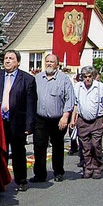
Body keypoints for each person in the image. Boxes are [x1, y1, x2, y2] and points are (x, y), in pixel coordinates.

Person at [0, 50, 37, 191]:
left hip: (17, 122)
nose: (7, 61)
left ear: (18, 62)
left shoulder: (28, 79)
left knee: (18, 152)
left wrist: (29, 125)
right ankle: (0, 181)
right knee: (0, 152)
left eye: (11, 58)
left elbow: (31, 105)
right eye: (5, 58)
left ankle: (21, 180)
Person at [31, 54, 74, 183]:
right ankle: (39, 174)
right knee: (39, 146)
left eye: (52, 62)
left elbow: (70, 99)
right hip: (40, 119)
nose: (49, 64)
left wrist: (65, 116)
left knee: (58, 146)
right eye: (47, 61)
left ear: (57, 64)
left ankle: (58, 172)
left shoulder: (64, 79)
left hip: (58, 118)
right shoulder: (38, 78)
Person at [70, 66, 103, 179]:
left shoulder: (101, 87)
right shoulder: (77, 87)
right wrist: (73, 119)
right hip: (82, 120)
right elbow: (75, 104)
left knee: (95, 145)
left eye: (89, 76)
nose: (87, 79)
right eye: (85, 77)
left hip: (97, 120)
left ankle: (97, 167)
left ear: (93, 76)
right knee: (85, 147)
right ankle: (88, 168)